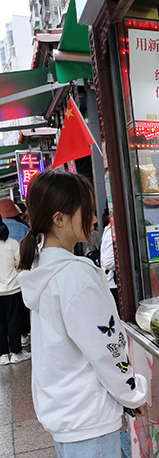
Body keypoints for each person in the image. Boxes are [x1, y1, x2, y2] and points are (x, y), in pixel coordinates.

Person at [17, 171, 147, 457]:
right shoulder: (75, 276)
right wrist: (132, 394)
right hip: (91, 419)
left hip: (68, 417)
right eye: (86, 210)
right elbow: (107, 348)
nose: (94, 219)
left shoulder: (43, 269)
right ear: (59, 218)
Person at [0, 216, 28, 365]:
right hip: (12, 289)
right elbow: (20, 264)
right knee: (13, 321)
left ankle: (3, 355)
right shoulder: (12, 244)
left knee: (1, 324)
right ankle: (17, 352)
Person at [100, 208, 118, 302]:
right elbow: (108, 262)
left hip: (111, 284)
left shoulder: (109, 230)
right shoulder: (111, 232)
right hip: (113, 284)